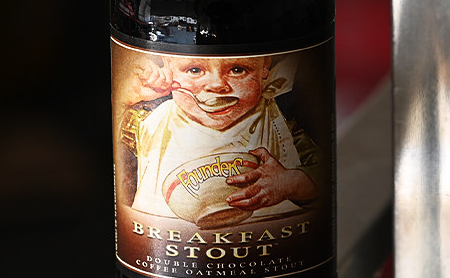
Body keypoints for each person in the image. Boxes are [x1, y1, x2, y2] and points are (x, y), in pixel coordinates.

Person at [115, 51, 322, 220]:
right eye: (194, 70)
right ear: (168, 64)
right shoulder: (149, 121)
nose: (216, 85)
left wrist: (291, 183)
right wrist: (126, 98)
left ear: (265, 65)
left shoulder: (277, 124)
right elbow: (113, 153)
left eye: (237, 69)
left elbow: (322, 176)